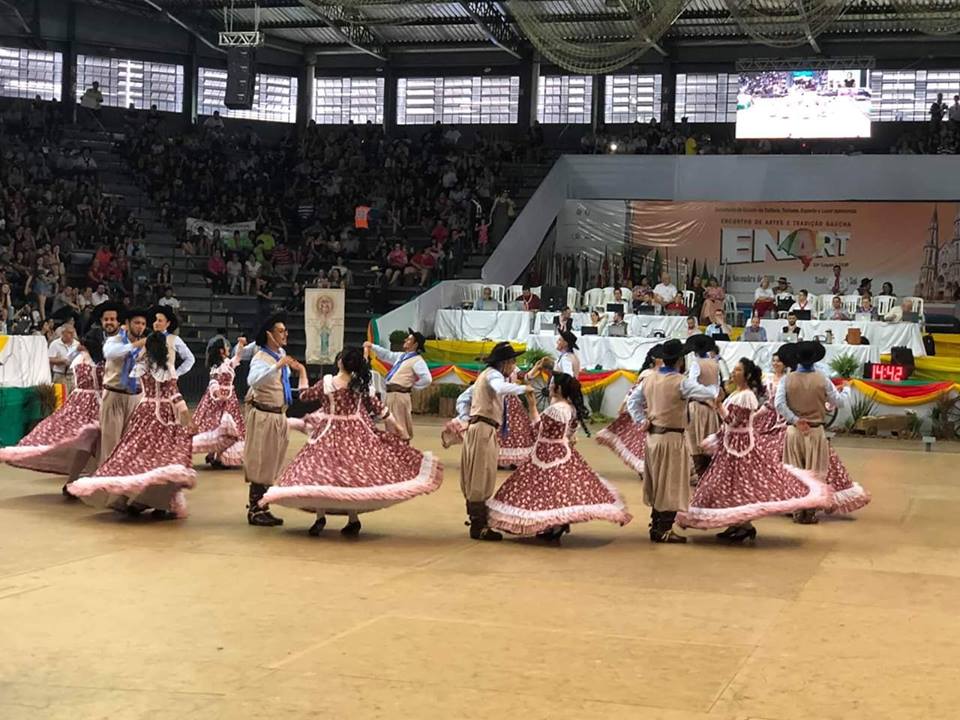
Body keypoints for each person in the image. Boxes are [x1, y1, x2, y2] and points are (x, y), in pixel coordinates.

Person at [263, 347, 443, 538]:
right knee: (351, 477)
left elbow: (305, 395)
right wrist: (396, 425)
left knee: (323, 473)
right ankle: (352, 519)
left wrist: (302, 371)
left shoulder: (328, 384)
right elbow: (379, 408)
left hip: (329, 433)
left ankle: (321, 517)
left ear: (340, 362)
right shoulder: (359, 385)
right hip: (355, 435)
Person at [676, 358, 833, 542]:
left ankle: (743, 525)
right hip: (732, 446)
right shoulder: (737, 394)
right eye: (734, 370)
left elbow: (736, 421)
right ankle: (738, 524)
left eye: (738, 370)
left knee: (739, 485)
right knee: (730, 486)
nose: (733, 373)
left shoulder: (747, 396)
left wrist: (718, 407)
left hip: (740, 448)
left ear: (747, 375)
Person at [486, 372, 632, 542]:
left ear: (559, 388)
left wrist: (532, 406)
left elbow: (537, 430)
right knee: (557, 491)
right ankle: (555, 525)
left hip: (547, 453)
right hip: (561, 450)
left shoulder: (555, 410)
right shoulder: (569, 408)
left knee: (546, 490)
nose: (549, 386)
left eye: (552, 383)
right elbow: (569, 433)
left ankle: (554, 526)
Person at [69, 329, 198, 519]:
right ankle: (155, 502)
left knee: (136, 456)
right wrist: (187, 419)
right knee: (162, 460)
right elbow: (175, 395)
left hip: (144, 411)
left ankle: (134, 500)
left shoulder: (141, 366)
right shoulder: (165, 368)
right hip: (164, 416)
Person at [627, 339, 718, 543]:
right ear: (679, 359)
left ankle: (657, 524)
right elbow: (709, 392)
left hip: (653, 437)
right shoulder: (681, 382)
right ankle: (663, 529)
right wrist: (715, 381)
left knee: (658, 481)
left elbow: (633, 402)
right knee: (671, 482)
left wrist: (641, 420)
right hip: (672, 438)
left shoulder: (649, 379)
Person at [0, 328, 105, 493]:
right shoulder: (98, 361)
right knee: (94, 444)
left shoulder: (82, 359)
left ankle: (76, 481)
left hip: (81, 403)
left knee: (88, 444)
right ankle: (83, 481)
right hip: (96, 404)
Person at [236, 314, 309, 527]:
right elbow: (253, 380)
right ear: (269, 334)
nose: (285, 334)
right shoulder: (262, 358)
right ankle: (255, 509)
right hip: (264, 415)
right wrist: (276, 367)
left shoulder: (280, 353)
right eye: (280, 331)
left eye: (285, 330)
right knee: (261, 460)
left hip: (278, 414)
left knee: (272, 462)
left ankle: (263, 505)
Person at [459, 342, 536, 541]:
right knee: (480, 475)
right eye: (512, 361)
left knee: (483, 473)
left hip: (483, 427)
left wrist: (465, 417)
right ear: (505, 363)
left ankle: (480, 521)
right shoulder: (493, 375)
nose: (514, 365)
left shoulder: (484, 377)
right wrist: (522, 388)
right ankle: (479, 525)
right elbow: (500, 387)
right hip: (483, 428)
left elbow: (463, 399)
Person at [774, 341, 850, 524]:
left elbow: (779, 404)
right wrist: (847, 390)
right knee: (815, 472)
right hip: (815, 431)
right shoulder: (823, 379)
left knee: (796, 472)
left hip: (794, 431)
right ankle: (810, 512)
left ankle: (798, 510)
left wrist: (794, 419)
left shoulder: (787, 379)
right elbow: (839, 402)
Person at [596, 344, 662, 474]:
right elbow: (634, 392)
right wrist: (623, 404)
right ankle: (645, 468)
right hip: (644, 412)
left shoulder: (659, 373)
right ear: (655, 359)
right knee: (643, 441)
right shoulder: (648, 374)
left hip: (653, 411)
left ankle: (649, 468)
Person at [98, 303, 148, 463]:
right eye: (136, 323)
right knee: (110, 444)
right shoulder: (115, 340)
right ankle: (105, 479)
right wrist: (137, 345)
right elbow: (111, 353)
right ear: (127, 324)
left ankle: (124, 479)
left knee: (131, 443)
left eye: (143, 324)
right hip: (114, 394)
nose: (140, 327)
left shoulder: (146, 344)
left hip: (135, 396)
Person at [365, 330, 431, 440]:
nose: (405, 340)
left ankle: (402, 451)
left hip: (399, 394)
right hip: (392, 394)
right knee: (391, 426)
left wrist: (413, 385)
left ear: (415, 345)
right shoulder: (402, 356)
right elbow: (387, 354)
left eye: (409, 339)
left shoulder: (417, 360)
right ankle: (396, 451)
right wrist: (372, 346)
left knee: (399, 426)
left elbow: (427, 379)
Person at [192, 336, 246, 469]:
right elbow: (213, 381)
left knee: (226, 429)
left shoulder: (227, 363)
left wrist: (240, 344)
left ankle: (219, 455)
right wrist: (217, 393)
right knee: (217, 426)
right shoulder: (217, 367)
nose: (228, 349)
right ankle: (214, 454)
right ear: (221, 351)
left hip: (229, 400)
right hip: (218, 402)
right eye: (226, 347)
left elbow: (237, 358)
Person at [685, 334, 722, 480]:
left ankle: (700, 475)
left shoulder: (696, 364)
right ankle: (707, 475)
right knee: (709, 440)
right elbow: (716, 386)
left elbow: (692, 386)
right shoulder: (714, 363)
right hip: (712, 407)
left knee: (695, 441)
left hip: (698, 406)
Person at [48, 322, 80, 391]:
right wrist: (62, 361)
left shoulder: (77, 344)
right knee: (61, 398)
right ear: (63, 333)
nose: (72, 335)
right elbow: (49, 359)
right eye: (69, 333)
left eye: (73, 333)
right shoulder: (55, 344)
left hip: (73, 375)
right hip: (59, 375)